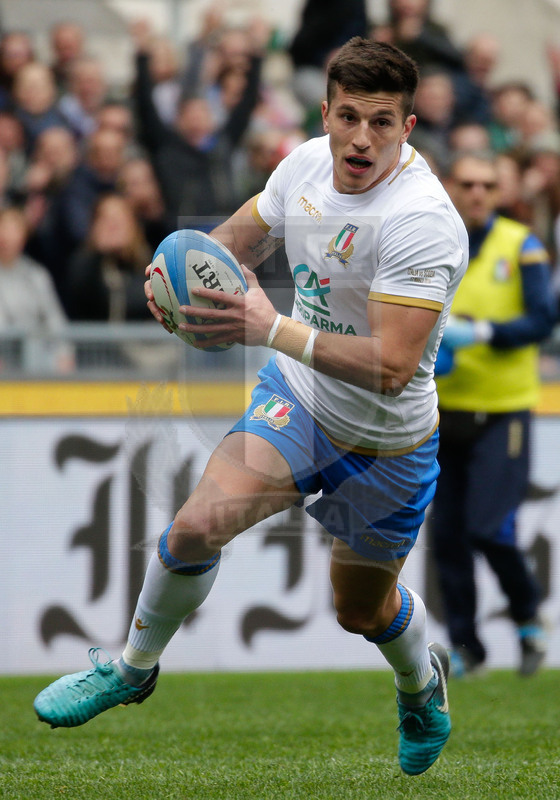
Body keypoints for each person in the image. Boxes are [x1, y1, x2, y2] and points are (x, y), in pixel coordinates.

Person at [34, 38, 468, 777]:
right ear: (325, 112)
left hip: (388, 440)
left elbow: (393, 368)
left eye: (384, 122)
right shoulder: (302, 164)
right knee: (198, 523)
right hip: (298, 400)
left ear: (408, 128)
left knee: (360, 611)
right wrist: (176, 278)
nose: (363, 138)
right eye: (350, 116)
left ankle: (421, 685)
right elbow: (233, 242)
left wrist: (268, 326)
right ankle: (133, 667)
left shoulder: (422, 220)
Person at [431, 152, 557, 678]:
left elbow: (544, 320)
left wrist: (483, 333)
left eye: (487, 184)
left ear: (498, 192)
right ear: (451, 187)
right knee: (446, 536)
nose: (478, 193)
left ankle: (527, 617)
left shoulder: (520, 245)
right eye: (468, 183)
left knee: (487, 528)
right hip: (441, 411)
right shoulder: (432, 241)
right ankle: (467, 647)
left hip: (503, 411)